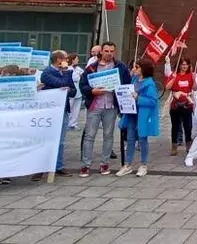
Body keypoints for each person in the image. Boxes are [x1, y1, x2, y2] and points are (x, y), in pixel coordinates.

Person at [79, 42, 130, 177]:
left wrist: (123, 96)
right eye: (106, 51)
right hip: (95, 105)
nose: (109, 53)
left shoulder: (120, 67)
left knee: (108, 136)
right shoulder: (91, 68)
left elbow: (127, 83)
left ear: (115, 52)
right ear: (101, 51)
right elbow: (82, 85)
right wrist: (92, 91)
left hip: (111, 106)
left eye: (112, 51)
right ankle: (86, 165)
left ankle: (104, 163)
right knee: (89, 136)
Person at [116, 59, 159, 177]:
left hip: (143, 115)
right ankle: (128, 164)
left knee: (142, 139)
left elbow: (153, 101)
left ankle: (143, 164)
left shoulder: (150, 84)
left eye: (137, 67)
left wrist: (138, 98)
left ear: (143, 69)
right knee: (130, 139)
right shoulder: (134, 79)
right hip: (132, 113)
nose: (134, 69)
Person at [40, 50, 77, 179]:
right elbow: (61, 84)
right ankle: (42, 166)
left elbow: (73, 91)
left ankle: (58, 165)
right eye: (66, 58)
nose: (68, 60)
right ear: (58, 60)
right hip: (50, 110)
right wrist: (66, 73)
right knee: (47, 139)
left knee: (60, 140)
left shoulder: (66, 73)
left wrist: (69, 88)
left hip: (63, 109)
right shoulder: (47, 73)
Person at [166, 59, 196, 156]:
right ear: (179, 65)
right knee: (175, 126)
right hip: (175, 104)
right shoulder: (174, 75)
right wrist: (173, 78)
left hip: (187, 104)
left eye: (186, 65)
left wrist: (194, 78)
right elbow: (167, 87)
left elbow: (195, 88)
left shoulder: (190, 75)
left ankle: (188, 145)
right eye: (182, 64)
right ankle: (174, 147)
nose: (184, 66)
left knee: (188, 126)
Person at [68, 53, 84, 130]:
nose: (78, 60)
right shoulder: (68, 68)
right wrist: (79, 77)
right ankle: (67, 123)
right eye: (76, 59)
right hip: (71, 91)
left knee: (76, 109)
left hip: (79, 91)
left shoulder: (78, 69)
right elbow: (74, 78)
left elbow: (83, 76)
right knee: (69, 108)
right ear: (72, 59)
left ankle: (73, 123)